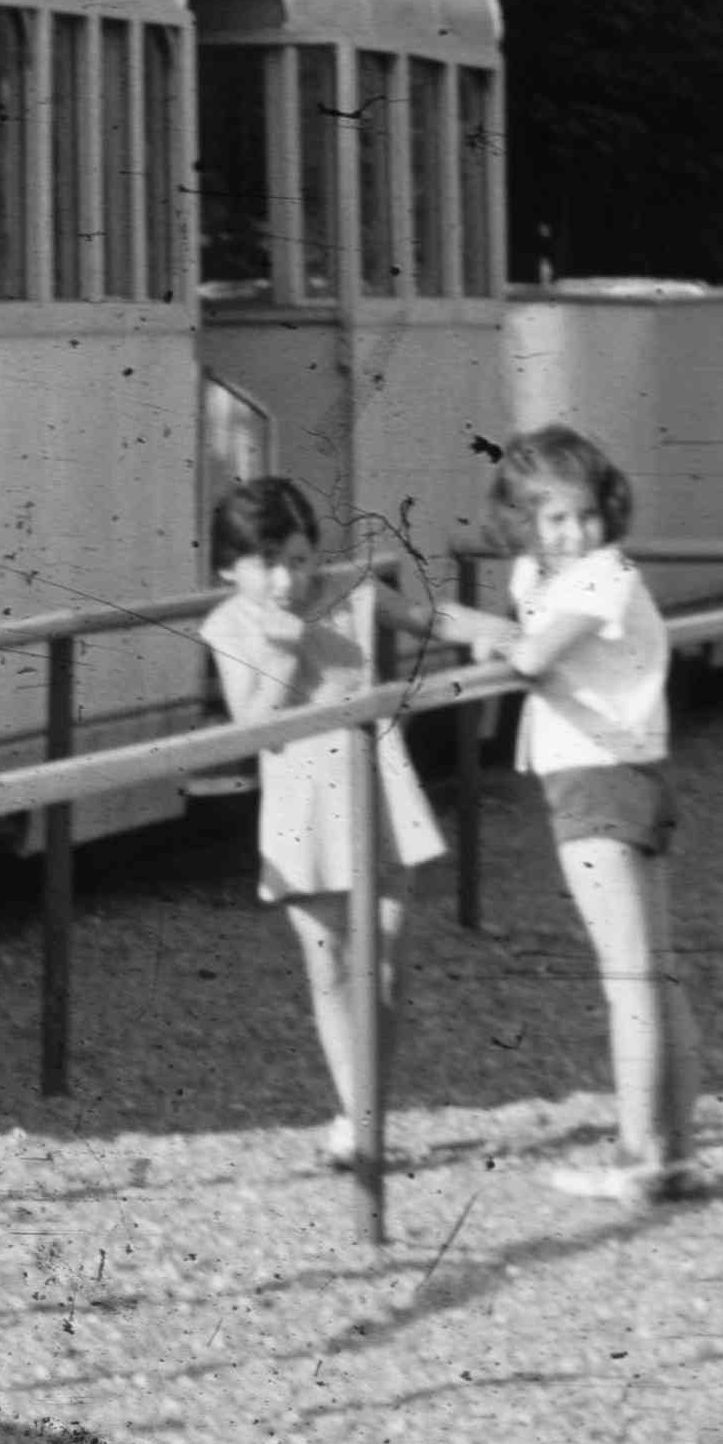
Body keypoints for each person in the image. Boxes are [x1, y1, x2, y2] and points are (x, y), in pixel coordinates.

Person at [425, 423, 701, 1207]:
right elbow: (527, 635)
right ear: (524, 522)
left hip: (598, 780)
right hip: (619, 771)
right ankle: (673, 1151)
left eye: (583, 515)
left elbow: (531, 656)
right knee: (652, 970)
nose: (573, 532)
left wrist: (476, 629)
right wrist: (496, 630)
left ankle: (636, 1156)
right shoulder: (545, 576)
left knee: (630, 977)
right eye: (554, 519)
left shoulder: (600, 575)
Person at [197, 475, 445, 1167]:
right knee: (329, 962)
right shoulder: (227, 625)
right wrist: (283, 645)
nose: (288, 579)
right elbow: (253, 723)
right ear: (229, 568)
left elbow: (424, 619)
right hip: (301, 804)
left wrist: (502, 633)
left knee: (385, 960)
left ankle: (365, 1113)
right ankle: (359, 1122)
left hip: (376, 785)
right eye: (268, 563)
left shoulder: (352, 590)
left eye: (300, 560)